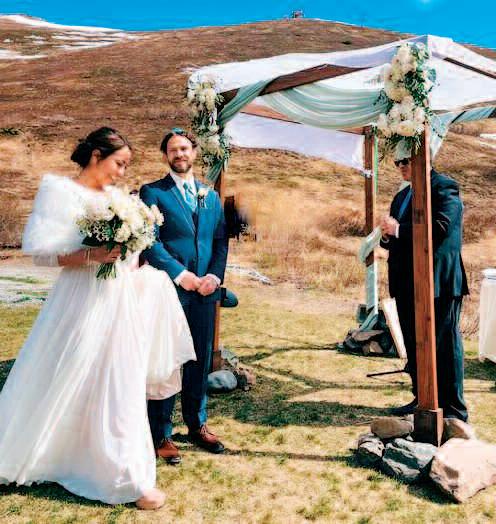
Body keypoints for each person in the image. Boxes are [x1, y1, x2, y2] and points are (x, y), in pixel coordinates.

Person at [0, 127, 196, 509]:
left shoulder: (117, 199)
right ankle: (45, 451)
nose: (122, 173)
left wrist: (132, 256)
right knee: (62, 373)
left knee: (119, 378)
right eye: (119, 163)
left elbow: (130, 251)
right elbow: (41, 253)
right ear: (96, 156)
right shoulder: (60, 192)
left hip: (118, 297)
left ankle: (127, 475)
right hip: (79, 298)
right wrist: (93, 255)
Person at [140, 128, 228, 464]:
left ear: (194, 152)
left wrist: (213, 277)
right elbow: (150, 242)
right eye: (173, 150)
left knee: (199, 359)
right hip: (168, 289)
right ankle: (161, 433)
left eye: (184, 148)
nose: (179, 154)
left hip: (205, 292)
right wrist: (183, 276)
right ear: (166, 156)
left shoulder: (210, 195)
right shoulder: (153, 192)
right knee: (166, 358)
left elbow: (219, 241)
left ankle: (196, 424)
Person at [380, 155, 469, 421]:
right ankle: (422, 399)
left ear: (423, 158)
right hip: (406, 283)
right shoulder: (402, 195)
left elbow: (441, 227)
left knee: (444, 344)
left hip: (438, 281)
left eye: (406, 160)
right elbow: (397, 237)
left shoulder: (444, 187)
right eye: (397, 162)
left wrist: (398, 230)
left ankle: (453, 409)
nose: (401, 166)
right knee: (413, 342)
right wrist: (387, 236)